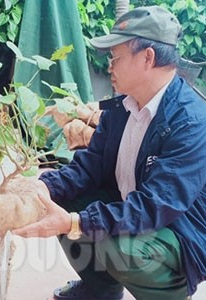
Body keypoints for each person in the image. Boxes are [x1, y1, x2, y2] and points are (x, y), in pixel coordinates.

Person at [13, 5, 205, 300]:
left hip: (178, 231)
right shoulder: (121, 108)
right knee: (64, 201)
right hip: (138, 210)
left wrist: (75, 223)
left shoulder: (190, 121)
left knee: (111, 240)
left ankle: (169, 295)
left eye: (115, 58)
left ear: (147, 58)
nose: (109, 67)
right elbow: (87, 168)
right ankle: (100, 290)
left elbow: (156, 206)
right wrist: (43, 187)